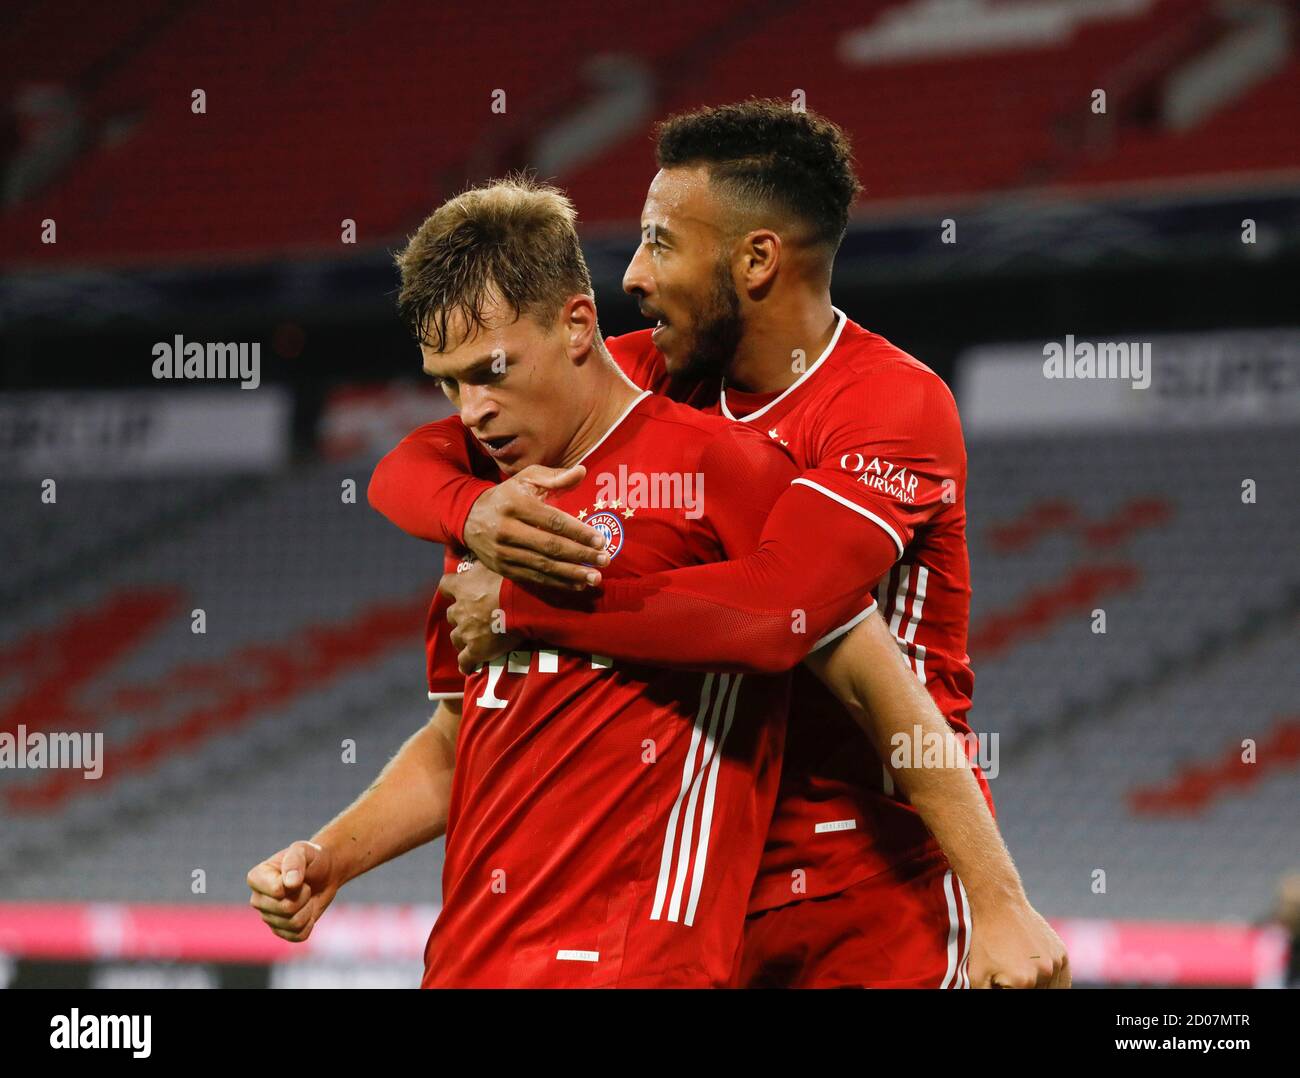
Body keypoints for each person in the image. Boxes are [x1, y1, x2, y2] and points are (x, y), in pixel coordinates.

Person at [368, 101, 1068, 988]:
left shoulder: (887, 403)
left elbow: (778, 615)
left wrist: (523, 607)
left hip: (875, 885)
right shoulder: (661, 373)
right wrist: (471, 512)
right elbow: (408, 464)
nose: (633, 274)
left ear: (757, 259)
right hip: (714, 890)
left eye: (661, 243)